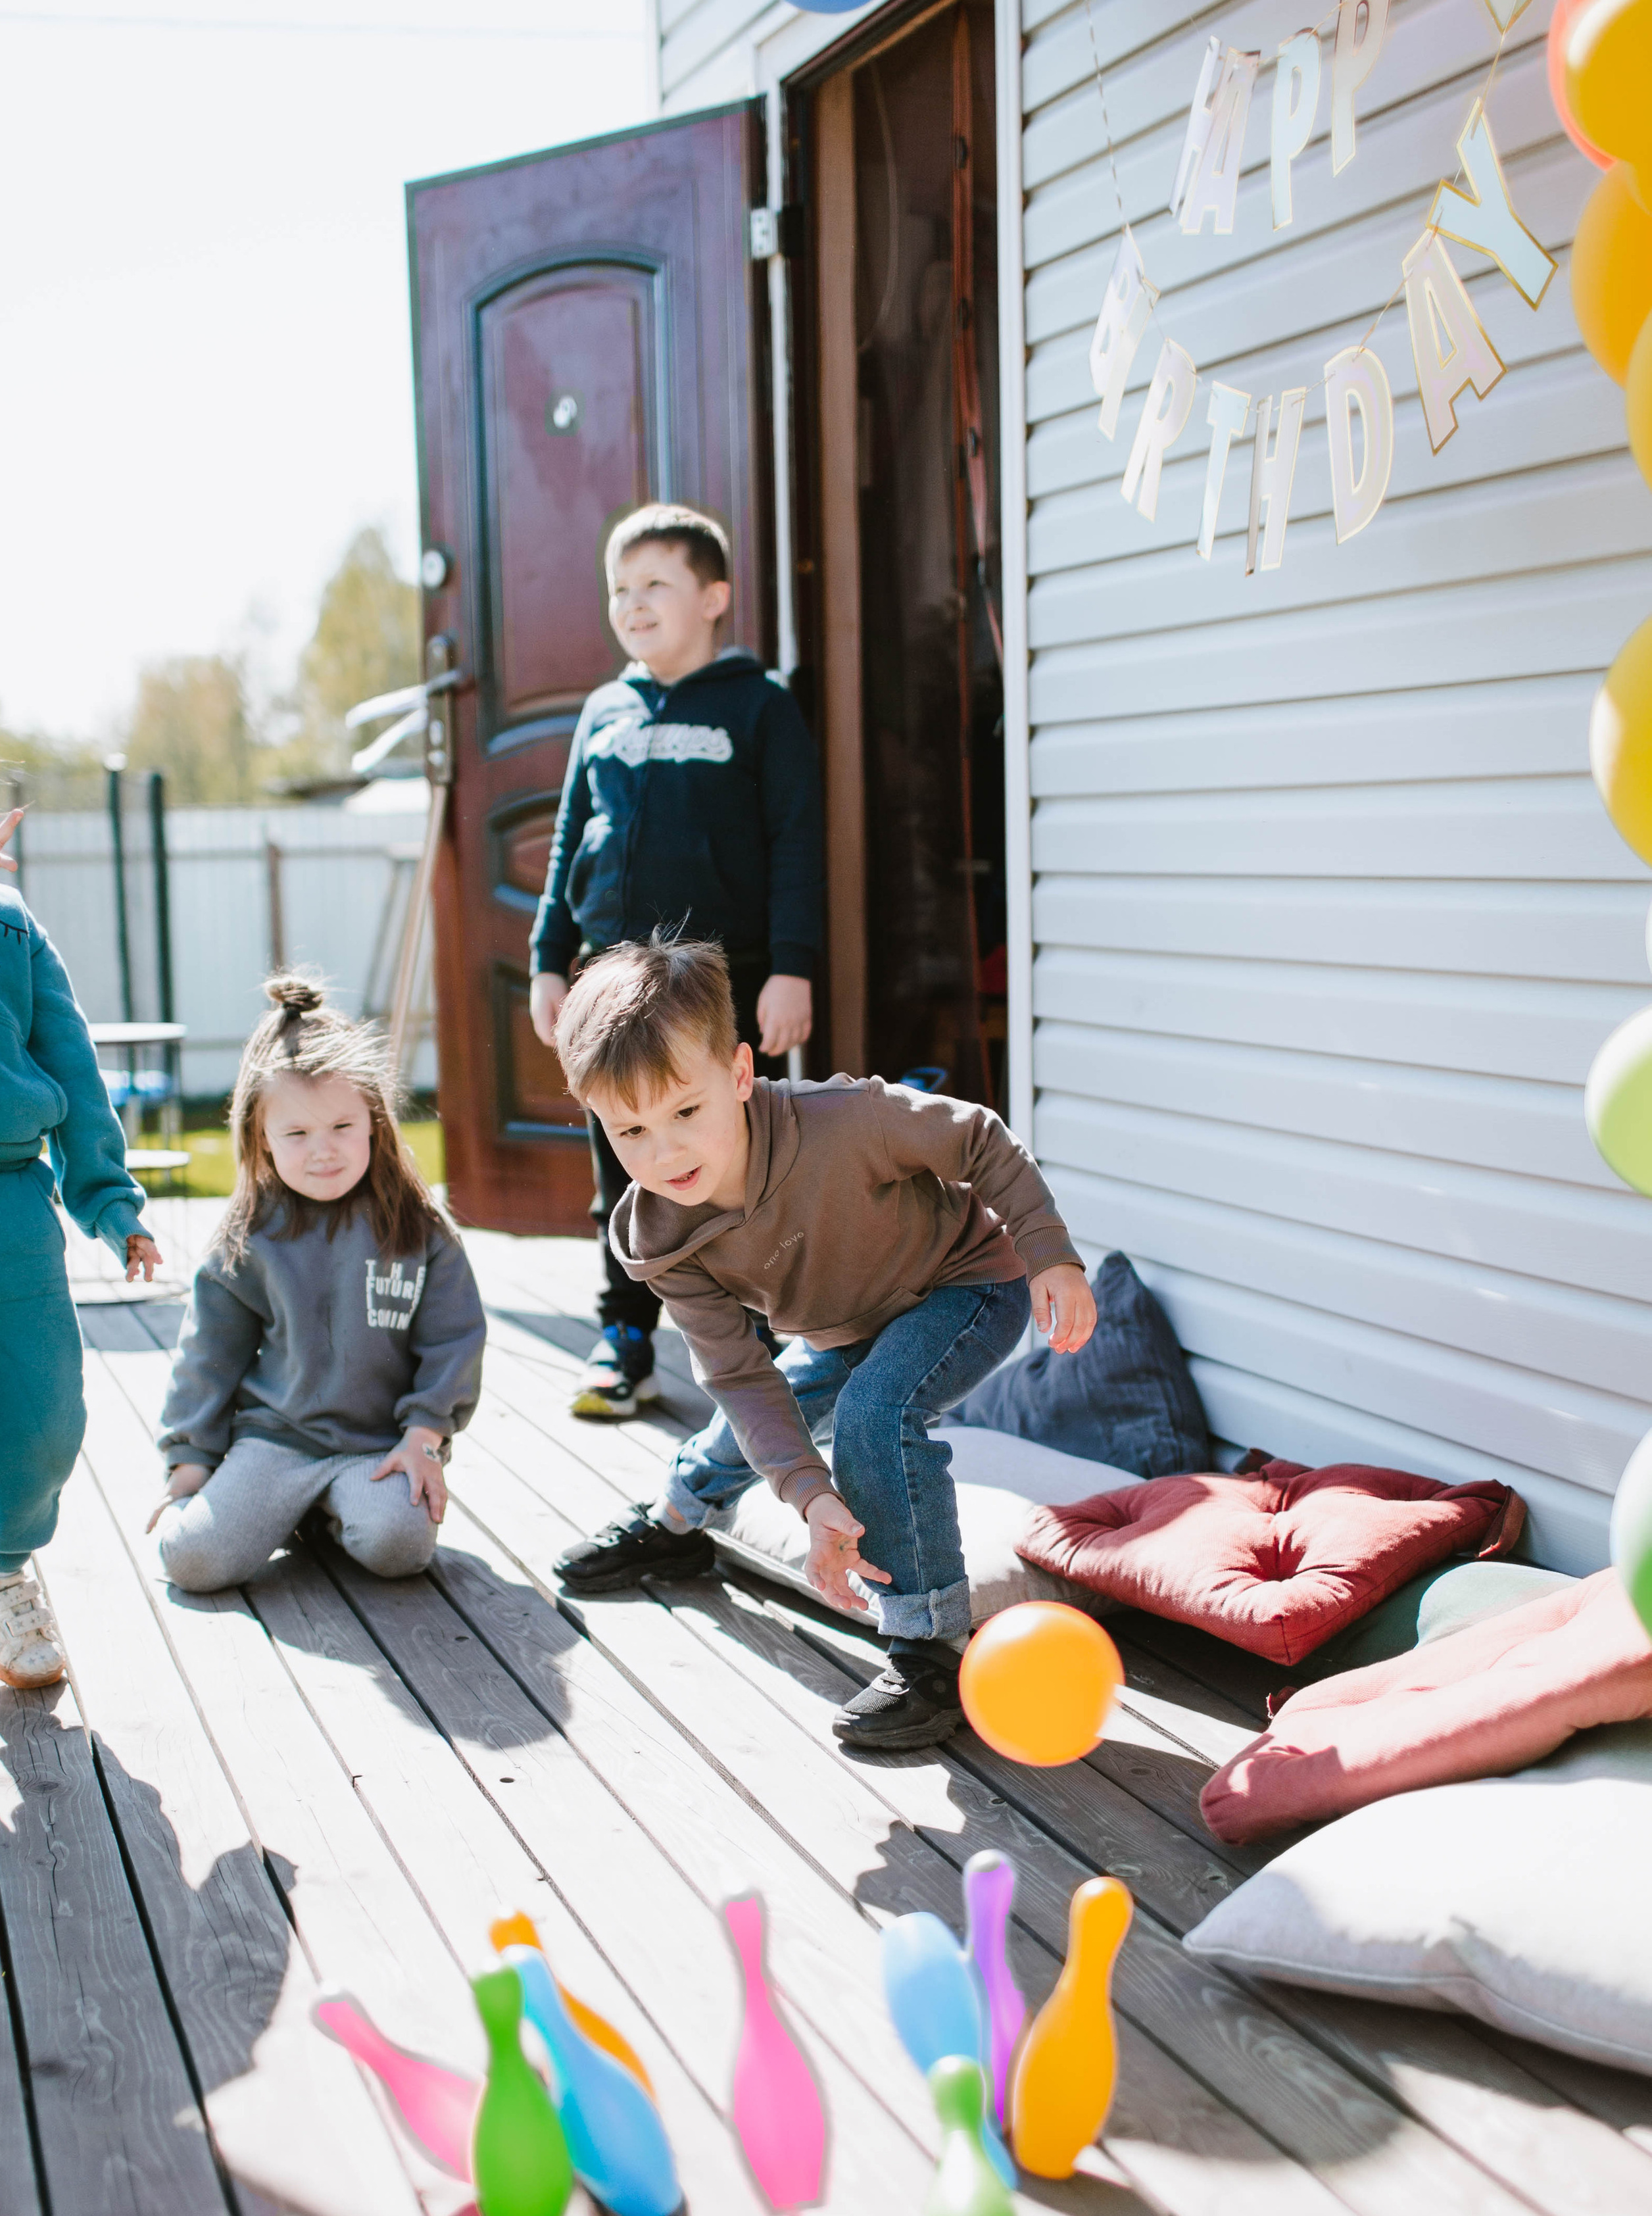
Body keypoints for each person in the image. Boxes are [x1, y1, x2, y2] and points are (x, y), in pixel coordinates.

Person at [548, 936, 1098, 1752]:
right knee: (762, 1417)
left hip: (965, 1284)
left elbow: (978, 1137)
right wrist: (809, 1496)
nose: (664, 1154)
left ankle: (928, 1649)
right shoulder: (659, 1235)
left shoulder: (844, 1123)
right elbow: (739, 1375)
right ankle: (675, 1521)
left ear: (738, 1074)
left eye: (685, 1112)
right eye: (629, 1131)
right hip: (843, 1325)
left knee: (877, 1413)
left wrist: (1050, 1251)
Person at [529, 501, 823, 1421]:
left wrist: (794, 965)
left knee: (734, 1160)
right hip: (609, 981)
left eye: (657, 584)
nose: (635, 604)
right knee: (625, 1162)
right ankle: (625, 1337)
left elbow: (798, 840)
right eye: (621, 588)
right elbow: (568, 836)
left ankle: (761, 1343)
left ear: (715, 598)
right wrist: (548, 959)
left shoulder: (758, 706)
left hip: (721, 981)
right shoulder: (603, 712)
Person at [150, 975, 486, 1593]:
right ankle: (287, 1506)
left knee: (399, 1546)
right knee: (190, 1560)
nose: (323, 1151)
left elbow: (454, 1339)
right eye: (297, 1135)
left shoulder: (416, 1227)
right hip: (276, 1440)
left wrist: (423, 1438)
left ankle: (328, 1515)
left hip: (378, 1445)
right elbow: (209, 1352)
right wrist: (190, 1459)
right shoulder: (248, 1234)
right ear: (261, 1137)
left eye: (341, 1127)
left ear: (374, 1123)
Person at [0, 710, 162, 1688]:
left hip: (4, 1208)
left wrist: (109, 1197)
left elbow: (73, 1069)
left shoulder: (8, 921)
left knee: (42, 1422)